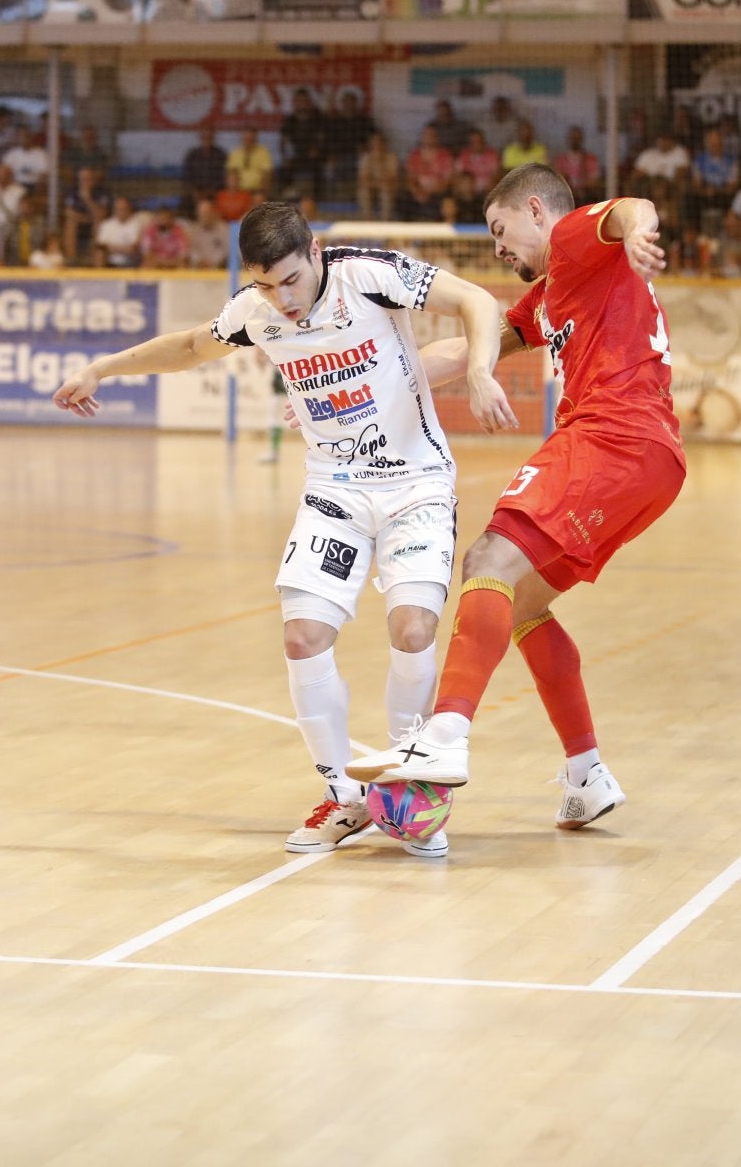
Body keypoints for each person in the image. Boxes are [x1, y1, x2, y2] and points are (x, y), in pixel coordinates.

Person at [52, 202, 509, 858]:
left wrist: (482, 369)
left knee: (412, 629)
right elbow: (190, 347)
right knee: (301, 637)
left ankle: (409, 789)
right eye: (265, 285)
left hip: (416, 484)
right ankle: (344, 797)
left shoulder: (368, 276)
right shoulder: (256, 312)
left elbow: (475, 300)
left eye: (291, 280)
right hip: (334, 489)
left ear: (315, 252)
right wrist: (99, 369)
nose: (282, 300)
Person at [346, 165, 685, 838]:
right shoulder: (551, 296)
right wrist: (361, 385)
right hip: (650, 459)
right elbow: (465, 349)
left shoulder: (573, 240)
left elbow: (632, 207)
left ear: (536, 210)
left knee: (488, 560)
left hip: (613, 437)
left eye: (500, 230)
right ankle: (586, 775)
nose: (498, 248)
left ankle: (445, 736)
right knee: (521, 604)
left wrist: (638, 233)